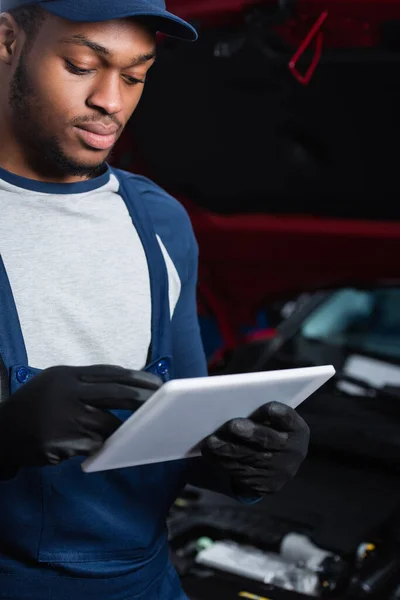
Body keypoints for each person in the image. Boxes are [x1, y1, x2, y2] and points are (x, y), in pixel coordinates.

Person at [0, 1, 310, 598]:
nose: (111, 102)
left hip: (146, 580)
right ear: (9, 40)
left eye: (136, 75)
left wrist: (243, 459)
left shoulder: (161, 222)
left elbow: (182, 426)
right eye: (81, 64)